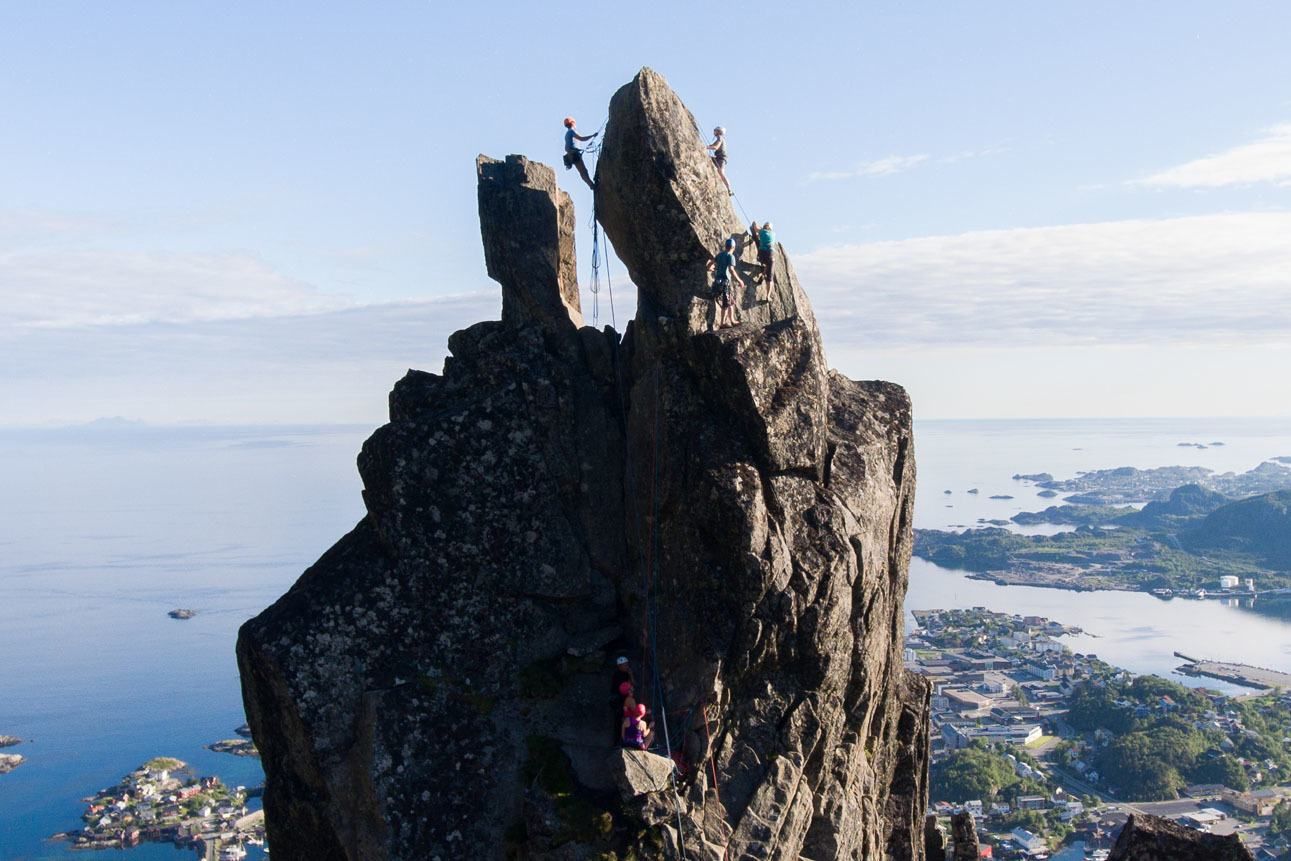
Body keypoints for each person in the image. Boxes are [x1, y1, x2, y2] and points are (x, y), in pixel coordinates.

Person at [706, 238, 743, 329]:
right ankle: (722, 323)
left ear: (725, 246)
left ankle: (732, 320)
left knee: (730, 301)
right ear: (733, 247)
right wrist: (739, 280)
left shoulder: (720, 255)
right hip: (725, 282)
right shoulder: (731, 256)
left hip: (717, 281)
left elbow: (711, 262)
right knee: (726, 302)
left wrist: (709, 268)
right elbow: (731, 270)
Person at [563, 117, 597, 191]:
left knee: (581, 171)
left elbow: (566, 148)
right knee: (583, 171)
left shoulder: (567, 133)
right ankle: (592, 185)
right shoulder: (572, 131)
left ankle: (591, 185)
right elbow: (581, 139)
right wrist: (592, 136)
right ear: (572, 123)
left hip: (571, 154)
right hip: (574, 153)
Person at [707, 126, 731, 194]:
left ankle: (729, 189)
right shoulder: (719, 138)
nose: (714, 132)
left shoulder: (720, 138)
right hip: (718, 157)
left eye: (715, 131)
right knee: (707, 159)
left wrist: (707, 147)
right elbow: (713, 145)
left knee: (721, 172)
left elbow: (715, 147)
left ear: (719, 132)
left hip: (721, 158)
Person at [756, 221, 775, 295]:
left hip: (761, 256)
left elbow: (755, 226)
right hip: (770, 255)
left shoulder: (762, 232)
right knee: (770, 277)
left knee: (766, 264)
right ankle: (768, 295)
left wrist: (756, 224)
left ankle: (763, 274)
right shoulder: (773, 234)